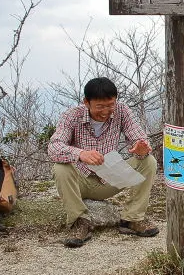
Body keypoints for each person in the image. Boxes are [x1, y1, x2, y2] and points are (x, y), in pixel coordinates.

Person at [47, 77, 159, 247]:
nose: (106, 111)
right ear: (87, 102)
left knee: (148, 161)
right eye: (100, 106)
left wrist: (141, 147)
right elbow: (54, 147)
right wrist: (80, 154)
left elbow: (138, 136)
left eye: (110, 105)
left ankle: (132, 219)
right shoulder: (72, 116)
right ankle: (80, 222)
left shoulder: (121, 111)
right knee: (60, 168)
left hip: (109, 179)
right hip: (80, 182)